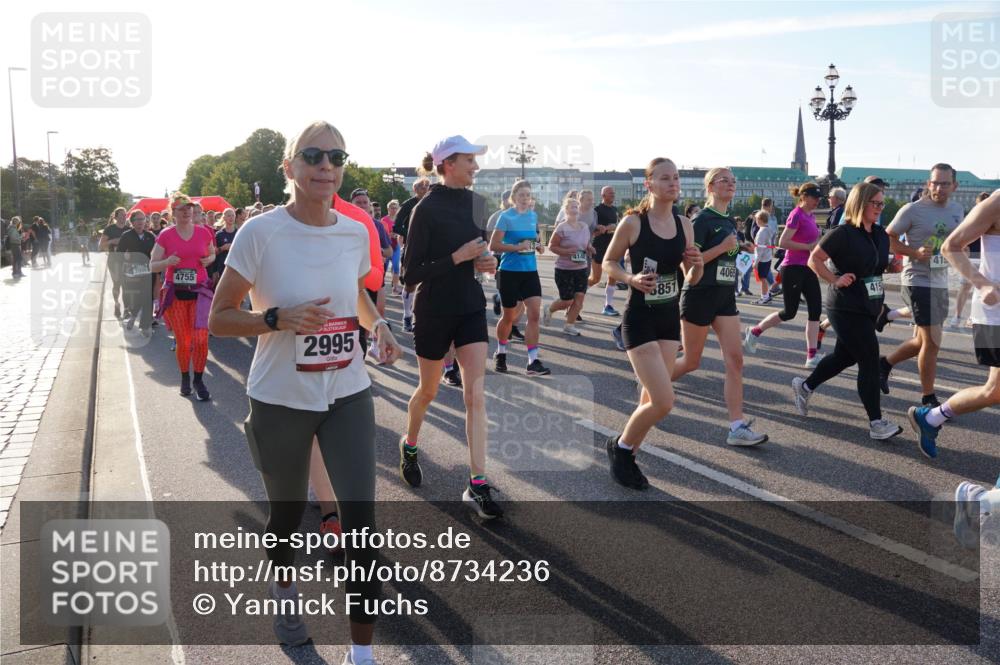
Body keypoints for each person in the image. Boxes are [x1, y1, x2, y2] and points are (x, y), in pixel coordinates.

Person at [209, 121, 400, 661]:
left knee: (362, 523)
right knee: (288, 518)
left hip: (348, 391)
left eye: (336, 156)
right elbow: (221, 318)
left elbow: (358, 297)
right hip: (279, 398)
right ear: (290, 166)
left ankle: (361, 655)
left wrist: (378, 325)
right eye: (313, 155)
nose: (326, 165)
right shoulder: (259, 233)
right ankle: (286, 589)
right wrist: (276, 318)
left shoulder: (354, 231)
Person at [400, 135, 503, 519]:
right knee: (427, 391)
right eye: (469, 160)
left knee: (476, 396)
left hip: (470, 307)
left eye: (475, 160)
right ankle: (410, 443)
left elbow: (480, 253)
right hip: (434, 308)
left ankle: (477, 482)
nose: (475, 166)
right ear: (446, 165)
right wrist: (458, 257)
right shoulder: (425, 208)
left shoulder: (477, 204)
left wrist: (485, 262)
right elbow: (410, 273)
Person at [602, 158, 703, 488]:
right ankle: (622, 449)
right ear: (649, 184)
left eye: (675, 178)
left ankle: (627, 451)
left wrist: (697, 263)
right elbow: (609, 262)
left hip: (668, 319)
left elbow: (691, 277)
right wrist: (630, 278)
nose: (673, 183)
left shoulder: (685, 225)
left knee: (649, 398)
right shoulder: (633, 223)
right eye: (664, 178)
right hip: (640, 320)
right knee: (664, 401)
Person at [790, 182, 903, 440]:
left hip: (868, 304)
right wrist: (834, 279)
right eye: (875, 203)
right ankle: (876, 423)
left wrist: (890, 268)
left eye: (881, 203)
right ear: (860, 203)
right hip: (844, 305)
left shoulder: (880, 234)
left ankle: (804, 386)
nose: (879, 208)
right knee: (869, 359)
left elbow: (874, 267)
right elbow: (814, 259)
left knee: (844, 356)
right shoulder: (843, 233)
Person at [672, 168, 768, 446]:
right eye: (724, 180)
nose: (731, 184)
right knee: (691, 362)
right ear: (710, 186)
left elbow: (727, 254)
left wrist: (740, 248)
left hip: (725, 296)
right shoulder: (700, 220)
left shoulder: (729, 222)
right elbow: (689, 264)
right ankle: (653, 383)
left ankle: (736, 427)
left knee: (735, 361)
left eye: (733, 181)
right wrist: (725, 245)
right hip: (699, 294)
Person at [908, 189, 1000, 462]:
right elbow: (951, 246)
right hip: (996, 314)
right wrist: (982, 284)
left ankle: (932, 417)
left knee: (994, 391)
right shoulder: (996, 203)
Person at [879, 164, 965, 408]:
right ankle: (928, 397)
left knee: (922, 342)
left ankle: (883, 364)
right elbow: (888, 238)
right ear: (928, 184)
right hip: (917, 279)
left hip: (940, 280)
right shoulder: (913, 210)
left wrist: (962, 249)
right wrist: (914, 252)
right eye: (935, 182)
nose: (938, 188)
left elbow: (958, 241)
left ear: (954, 186)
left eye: (944, 183)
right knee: (933, 342)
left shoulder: (958, 210)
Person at [744, 182, 825, 367]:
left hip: (809, 267)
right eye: (814, 197)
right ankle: (755, 331)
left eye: (819, 198)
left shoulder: (811, 216)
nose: (817, 201)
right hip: (793, 268)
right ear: (803, 197)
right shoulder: (796, 214)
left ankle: (811, 356)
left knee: (816, 310)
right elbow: (783, 241)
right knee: (790, 312)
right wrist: (808, 247)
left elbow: (812, 241)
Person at [149, 193, 216, 400]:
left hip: (200, 293)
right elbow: (152, 264)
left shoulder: (203, 232)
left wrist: (209, 260)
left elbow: (211, 253)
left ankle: (198, 379)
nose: (187, 211)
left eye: (189, 208)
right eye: (181, 209)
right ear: (173, 213)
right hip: (176, 295)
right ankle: (185, 376)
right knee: (184, 341)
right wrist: (168, 261)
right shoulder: (166, 235)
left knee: (201, 339)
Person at [490, 180, 551, 376]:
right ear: (514, 198)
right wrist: (517, 247)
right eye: (522, 195)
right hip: (510, 272)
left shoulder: (533, 215)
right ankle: (501, 352)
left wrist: (539, 245)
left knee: (534, 315)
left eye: (528, 195)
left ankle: (532, 362)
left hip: (530, 272)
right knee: (509, 317)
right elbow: (494, 245)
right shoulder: (505, 217)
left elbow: (533, 239)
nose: (525, 199)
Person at [543, 195, 594, 336]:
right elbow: (552, 246)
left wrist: (590, 247)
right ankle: (550, 309)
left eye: (576, 206)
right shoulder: (562, 227)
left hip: (581, 268)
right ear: (566, 210)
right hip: (564, 269)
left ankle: (569, 325)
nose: (575, 209)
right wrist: (566, 251)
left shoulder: (584, 226)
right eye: (572, 206)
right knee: (567, 301)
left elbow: (585, 243)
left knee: (579, 300)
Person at [394, 177, 431, 333]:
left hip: (431, 249)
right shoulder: (408, 204)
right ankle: (407, 315)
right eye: (422, 188)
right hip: (412, 248)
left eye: (427, 187)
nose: (425, 190)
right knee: (410, 283)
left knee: (429, 283)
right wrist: (411, 235)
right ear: (415, 190)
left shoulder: (433, 204)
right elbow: (396, 226)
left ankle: (424, 317)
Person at [949, 192, 990, 327]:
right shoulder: (971, 218)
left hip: (986, 258)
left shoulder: (994, 216)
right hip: (972, 257)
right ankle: (957, 316)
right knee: (965, 286)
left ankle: (974, 316)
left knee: (983, 288)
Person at [117, 210, 157, 335]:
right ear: (132, 222)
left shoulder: (150, 236)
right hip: (132, 272)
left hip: (148, 271)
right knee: (137, 296)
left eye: (143, 219)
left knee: (148, 297)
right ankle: (133, 314)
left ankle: (145, 326)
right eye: (137, 220)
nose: (140, 222)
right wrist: (125, 256)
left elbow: (156, 253)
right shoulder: (126, 236)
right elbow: (118, 254)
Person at [589, 186, 621, 316]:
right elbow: (592, 232)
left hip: (612, 246)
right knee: (595, 279)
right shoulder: (596, 210)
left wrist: (616, 227)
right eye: (610, 193)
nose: (613, 195)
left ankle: (608, 306)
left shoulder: (615, 209)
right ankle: (575, 299)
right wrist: (606, 228)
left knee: (612, 277)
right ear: (603, 195)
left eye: (613, 193)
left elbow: (618, 226)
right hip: (599, 247)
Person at [100, 207, 129, 318]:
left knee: (127, 285)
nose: (123, 216)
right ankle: (117, 304)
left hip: (127, 260)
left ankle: (126, 309)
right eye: (121, 215)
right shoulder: (110, 229)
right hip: (114, 259)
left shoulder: (129, 229)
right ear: (116, 217)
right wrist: (113, 241)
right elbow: (101, 246)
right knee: (117, 284)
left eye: (125, 215)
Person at [751, 211, 776, 303]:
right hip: (767, 257)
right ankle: (765, 295)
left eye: (757, 219)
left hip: (762, 258)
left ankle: (765, 297)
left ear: (760, 220)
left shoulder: (762, 232)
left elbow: (759, 249)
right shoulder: (768, 229)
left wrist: (756, 262)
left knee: (763, 278)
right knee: (763, 278)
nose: (756, 221)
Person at [212, 208, 238, 288]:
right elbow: (214, 253)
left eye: (233, 215)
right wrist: (223, 248)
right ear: (224, 218)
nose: (231, 218)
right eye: (229, 215)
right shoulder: (219, 234)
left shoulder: (239, 233)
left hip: (237, 268)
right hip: (222, 268)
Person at [382, 199, 402, 295]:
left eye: (395, 208)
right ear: (388, 209)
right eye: (392, 208)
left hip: (396, 246)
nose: (393, 210)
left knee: (396, 267)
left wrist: (398, 234)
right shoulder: (384, 220)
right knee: (384, 268)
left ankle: (395, 288)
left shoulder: (400, 219)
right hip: (386, 246)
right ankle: (380, 287)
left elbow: (402, 232)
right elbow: (382, 234)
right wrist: (390, 235)